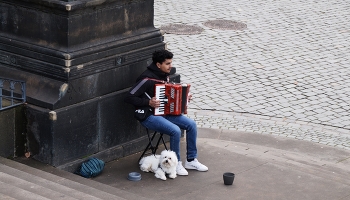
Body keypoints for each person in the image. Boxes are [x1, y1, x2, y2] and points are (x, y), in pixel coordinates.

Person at [124, 49, 208, 175]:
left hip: (164, 113)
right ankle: (177, 164)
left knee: (192, 125)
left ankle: (191, 160)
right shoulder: (146, 79)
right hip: (149, 115)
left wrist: (184, 98)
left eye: (171, 63)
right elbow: (128, 97)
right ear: (158, 65)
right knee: (175, 130)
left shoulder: (164, 76)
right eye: (167, 64)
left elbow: (170, 97)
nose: (171, 66)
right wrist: (148, 103)